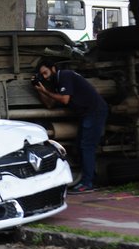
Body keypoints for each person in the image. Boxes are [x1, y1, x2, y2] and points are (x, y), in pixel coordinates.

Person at [33, 58, 108, 194]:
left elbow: (64, 99)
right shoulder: (56, 82)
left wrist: (46, 91)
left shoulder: (65, 75)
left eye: (45, 73)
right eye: (42, 75)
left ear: (53, 68)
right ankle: (92, 179)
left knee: (87, 147)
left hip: (94, 111)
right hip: (87, 114)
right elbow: (50, 104)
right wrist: (40, 89)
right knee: (79, 146)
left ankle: (88, 183)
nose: (45, 77)